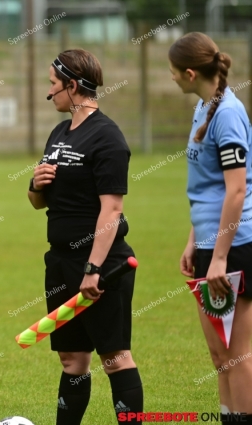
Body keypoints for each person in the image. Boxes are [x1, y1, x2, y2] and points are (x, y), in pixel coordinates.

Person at [29, 49, 142, 424]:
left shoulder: (107, 137)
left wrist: (93, 268)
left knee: (114, 357)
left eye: (52, 84)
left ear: (72, 86)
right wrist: (36, 184)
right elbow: (37, 202)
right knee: (72, 359)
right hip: (60, 261)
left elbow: (112, 211)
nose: (50, 92)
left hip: (101, 264)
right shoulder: (59, 133)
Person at [170, 32, 252, 424]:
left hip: (235, 248)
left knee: (237, 355)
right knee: (220, 356)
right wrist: (193, 241)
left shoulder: (229, 113)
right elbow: (206, 189)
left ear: (189, 73)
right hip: (209, 246)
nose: (170, 79)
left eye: (172, 72)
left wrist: (219, 256)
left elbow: (236, 191)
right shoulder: (203, 108)